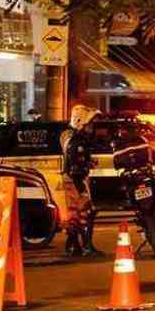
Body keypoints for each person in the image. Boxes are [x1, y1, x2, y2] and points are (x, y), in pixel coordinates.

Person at [61, 104, 103, 256]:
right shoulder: (78, 142)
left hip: (71, 180)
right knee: (87, 212)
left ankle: (73, 247)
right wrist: (83, 192)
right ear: (80, 123)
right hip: (76, 181)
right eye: (89, 124)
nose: (91, 128)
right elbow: (76, 169)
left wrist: (88, 162)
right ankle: (86, 247)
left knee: (75, 215)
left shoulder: (70, 138)